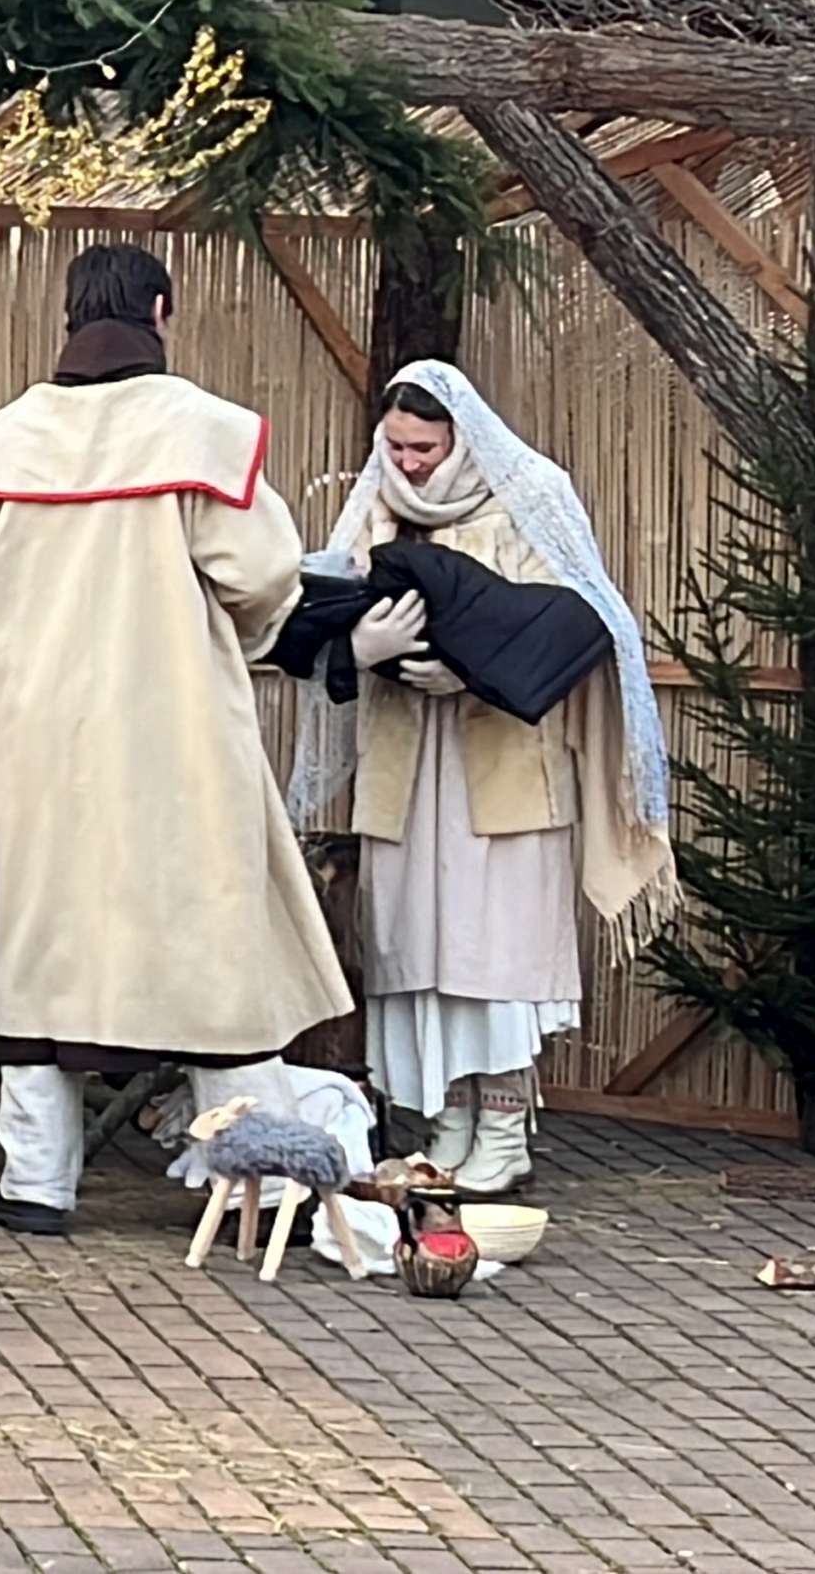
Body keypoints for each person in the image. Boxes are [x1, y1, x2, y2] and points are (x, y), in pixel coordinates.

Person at [0, 242, 348, 1236]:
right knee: (211, 938)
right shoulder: (202, 432)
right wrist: (236, 638)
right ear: (160, 311)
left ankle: (37, 1182)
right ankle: (267, 1186)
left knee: (44, 938)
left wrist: (1, 669)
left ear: (69, 315)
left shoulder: (3, 442)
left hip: (40, 743)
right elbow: (263, 574)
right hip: (178, 730)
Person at [291, 361, 681, 1194]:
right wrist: (361, 646)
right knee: (417, 948)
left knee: (494, 948)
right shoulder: (377, 502)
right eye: (395, 446)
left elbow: (585, 622)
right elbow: (322, 611)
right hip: (406, 761)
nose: (408, 463)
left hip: (504, 765)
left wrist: (474, 668)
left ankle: (502, 1131)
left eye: (424, 448)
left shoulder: (531, 498)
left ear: (462, 438)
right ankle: (446, 1127)